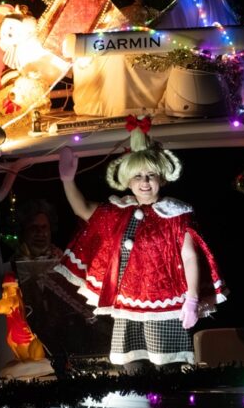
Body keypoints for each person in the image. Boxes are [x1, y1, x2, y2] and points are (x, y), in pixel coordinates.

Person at [54, 115, 225, 370]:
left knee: (170, 370)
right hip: (128, 305)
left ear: (162, 178)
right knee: (134, 371)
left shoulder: (176, 214)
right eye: (138, 176)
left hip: (165, 305)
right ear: (128, 180)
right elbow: (83, 209)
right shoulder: (118, 211)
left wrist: (191, 298)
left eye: (150, 175)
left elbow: (189, 256)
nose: (144, 182)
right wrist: (68, 181)